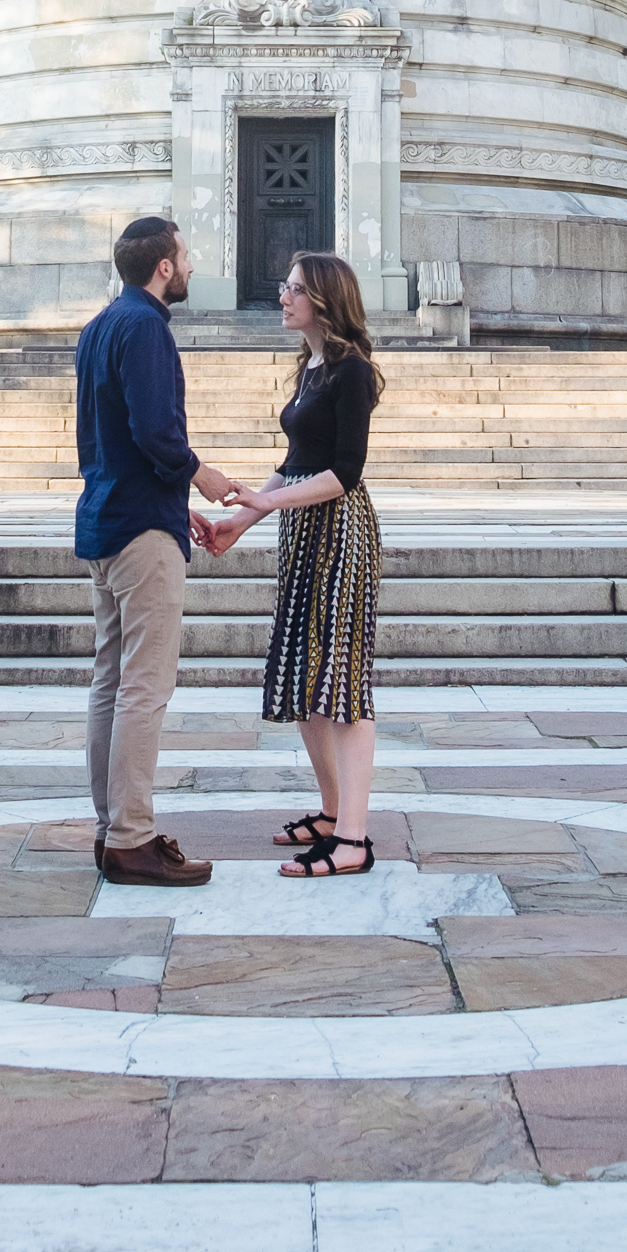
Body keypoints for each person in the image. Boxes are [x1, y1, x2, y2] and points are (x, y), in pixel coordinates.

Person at [193, 249, 383, 876]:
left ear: (326, 300)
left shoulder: (352, 372)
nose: (283, 296)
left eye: (296, 288)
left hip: (341, 530)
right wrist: (239, 523)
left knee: (341, 680)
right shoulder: (312, 368)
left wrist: (267, 502)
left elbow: (344, 472)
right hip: (303, 529)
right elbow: (296, 457)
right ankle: (331, 814)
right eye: (284, 286)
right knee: (305, 678)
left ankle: (352, 840)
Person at [77, 214, 240, 887]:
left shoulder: (101, 325)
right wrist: (203, 476)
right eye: (186, 254)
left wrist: (182, 503)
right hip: (142, 528)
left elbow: (114, 434)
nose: (193, 264)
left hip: (107, 519)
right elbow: (155, 432)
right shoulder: (145, 327)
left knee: (111, 681)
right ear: (164, 266)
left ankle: (112, 827)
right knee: (144, 686)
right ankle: (132, 837)